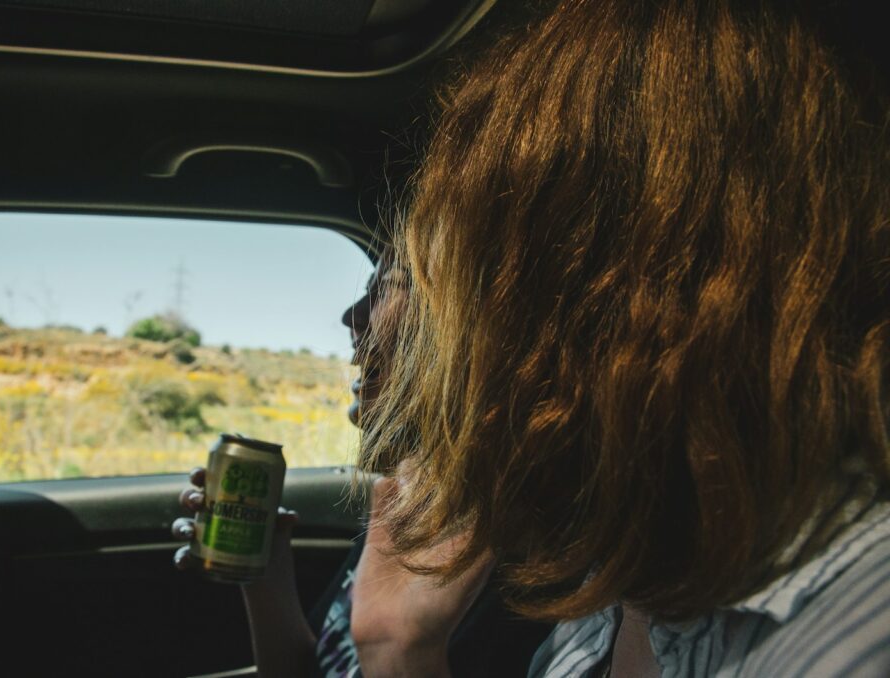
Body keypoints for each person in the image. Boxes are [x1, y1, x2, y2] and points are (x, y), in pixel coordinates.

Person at [346, 1, 890, 677]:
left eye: (471, 299)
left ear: (607, 309)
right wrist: (398, 646)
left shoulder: (850, 643)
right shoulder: (620, 576)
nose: (453, 359)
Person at [172, 252, 552, 677]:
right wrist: (262, 574)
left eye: (389, 284)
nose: (351, 315)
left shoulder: (532, 581)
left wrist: (403, 654)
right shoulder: (410, 508)